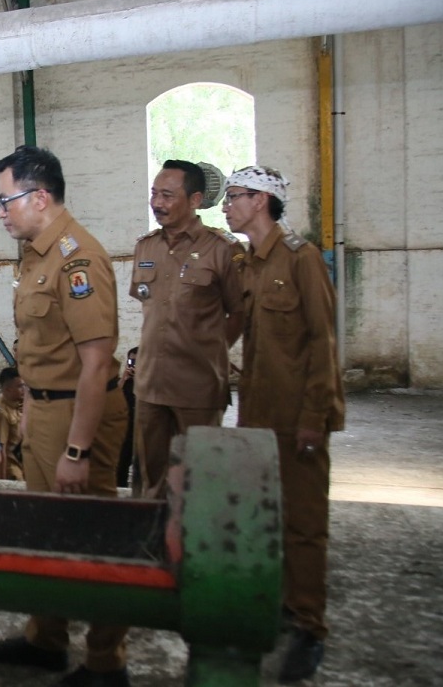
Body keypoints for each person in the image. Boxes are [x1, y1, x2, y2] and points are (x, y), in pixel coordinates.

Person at [0, 146, 131, 687]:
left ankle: (105, 663)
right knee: (45, 533)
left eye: (6, 201)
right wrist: (30, 411)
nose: (0, 211)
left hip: (79, 417)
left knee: (95, 539)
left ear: (38, 197)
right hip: (46, 411)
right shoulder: (35, 252)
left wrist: (77, 450)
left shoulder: (77, 260)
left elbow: (94, 367)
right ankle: (46, 640)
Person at [222, 165, 344, 683]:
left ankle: (309, 626)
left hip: (298, 419)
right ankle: (279, 608)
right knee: (267, 522)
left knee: (304, 526)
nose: (226, 204)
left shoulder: (302, 259)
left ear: (262, 201)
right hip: (258, 415)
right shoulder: (247, 263)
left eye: (235, 196)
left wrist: (316, 417)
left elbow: (323, 341)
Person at [129, 159, 245, 498]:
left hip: (198, 388)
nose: (157, 203)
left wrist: (209, 351)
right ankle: (153, 545)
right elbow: (151, 309)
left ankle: (195, 548)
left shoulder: (222, 250)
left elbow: (239, 312)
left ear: (195, 200)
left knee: (200, 482)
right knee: (151, 481)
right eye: (154, 194)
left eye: (167, 195)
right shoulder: (145, 247)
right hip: (150, 387)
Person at [0, 366, 25, 481]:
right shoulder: (1, 413)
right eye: (20, 386)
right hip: (10, 469)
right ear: (7, 390)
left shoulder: (17, 403)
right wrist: (2, 482)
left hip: (21, 462)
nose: (24, 389)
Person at [115, 347, 137, 489]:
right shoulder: (123, 381)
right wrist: (124, 379)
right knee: (121, 464)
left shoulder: (148, 383)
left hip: (141, 428)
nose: (133, 365)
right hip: (125, 429)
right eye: (131, 361)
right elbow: (112, 398)